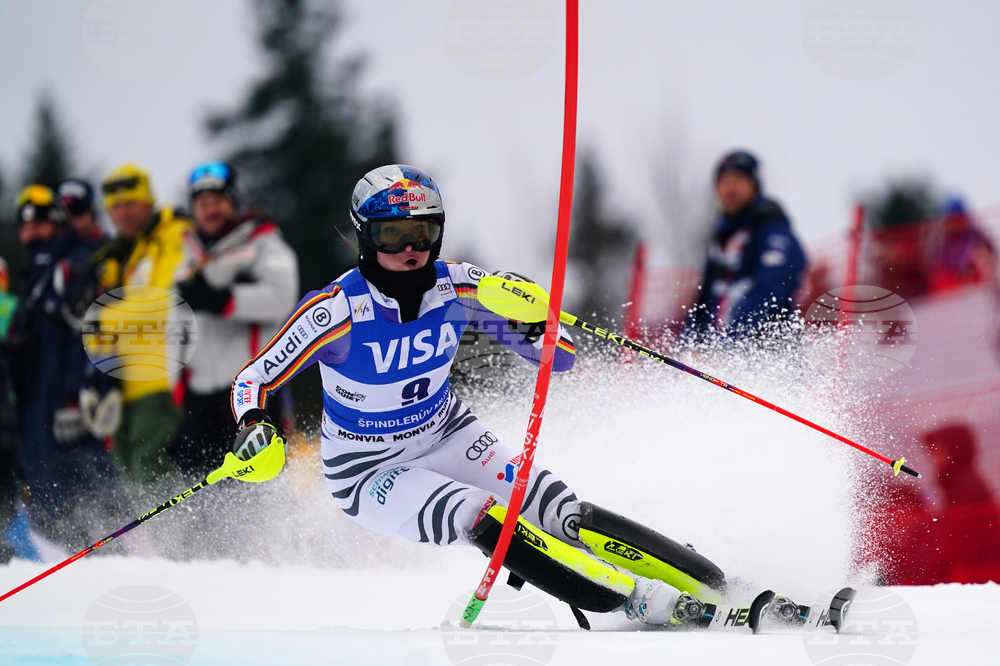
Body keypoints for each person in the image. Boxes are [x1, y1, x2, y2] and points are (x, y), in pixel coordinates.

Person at [229, 165, 739, 627]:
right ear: (364, 235)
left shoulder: (460, 287)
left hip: (448, 432)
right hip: (369, 470)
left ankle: (712, 582)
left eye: (423, 232)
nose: (411, 248)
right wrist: (255, 424)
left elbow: (558, 356)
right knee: (480, 515)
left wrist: (538, 325)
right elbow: (252, 379)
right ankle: (638, 599)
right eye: (392, 234)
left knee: (559, 509)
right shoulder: (334, 312)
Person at [4, 185, 129, 550]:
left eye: (41, 222)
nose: (32, 232)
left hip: (67, 399)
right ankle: (75, 571)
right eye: (25, 225)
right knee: (50, 502)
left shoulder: (75, 266)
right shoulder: (38, 274)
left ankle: (125, 558)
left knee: (90, 488)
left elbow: (91, 337)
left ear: (58, 222)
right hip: (35, 405)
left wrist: (80, 393)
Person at [169, 161, 298, 477]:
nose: (210, 210)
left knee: (262, 488)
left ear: (232, 201)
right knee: (201, 495)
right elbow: (174, 328)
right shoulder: (187, 258)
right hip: (198, 397)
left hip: (251, 392)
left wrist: (225, 300)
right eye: (202, 204)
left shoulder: (262, 242)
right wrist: (177, 383)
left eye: (217, 201)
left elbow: (283, 297)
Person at [92, 164, 197, 489]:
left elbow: (163, 300)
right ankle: (166, 542)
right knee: (133, 477)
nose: (122, 213)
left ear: (149, 202)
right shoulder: (125, 253)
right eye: (115, 207)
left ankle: (189, 541)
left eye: (130, 204)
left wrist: (101, 318)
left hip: (161, 380)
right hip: (123, 387)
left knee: (154, 472)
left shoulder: (172, 234)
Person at [685, 150, 806, 342]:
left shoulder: (771, 231)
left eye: (738, 180)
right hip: (717, 357)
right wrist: (688, 346)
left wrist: (731, 343)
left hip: (764, 355)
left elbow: (772, 290)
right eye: (724, 182)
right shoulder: (722, 238)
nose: (730, 189)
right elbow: (703, 304)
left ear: (755, 185)